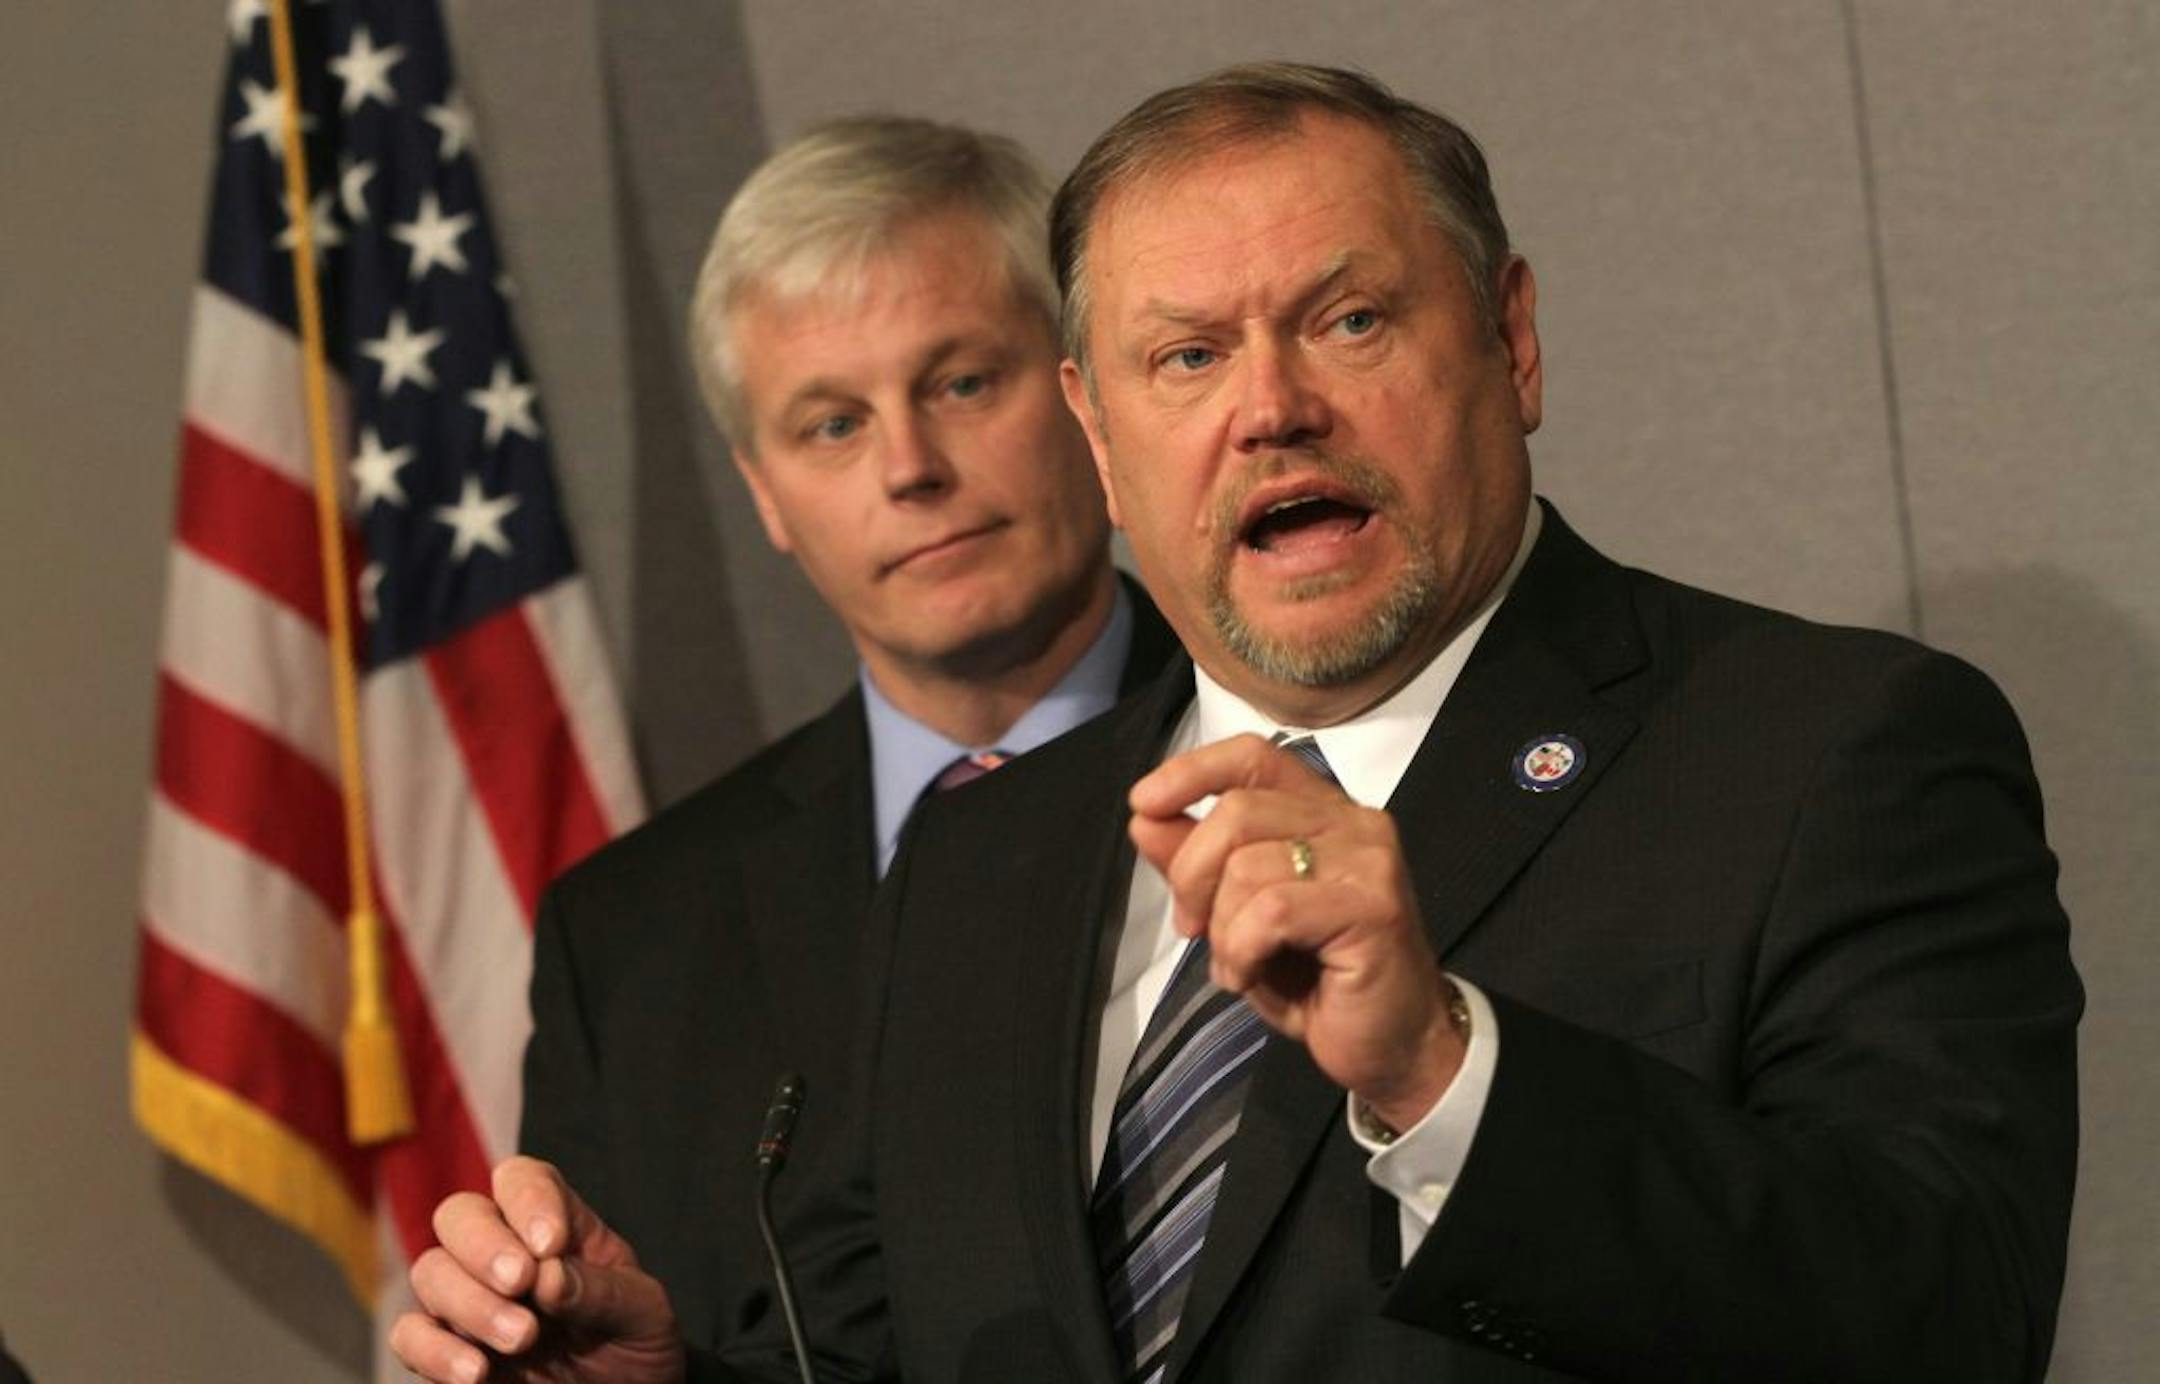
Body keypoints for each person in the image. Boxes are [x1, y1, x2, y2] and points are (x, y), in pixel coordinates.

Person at [396, 65, 2080, 1383]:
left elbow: (1949, 1319)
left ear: (1513, 339)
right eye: (1185, 356)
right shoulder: (989, 851)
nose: (1271, 407)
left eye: (1350, 319)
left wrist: (1441, 1067)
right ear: (1099, 433)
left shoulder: (1827, 751)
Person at [389, 115, 1174, 1376]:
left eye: (962, 382)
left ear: (1083, 391)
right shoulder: (630, 939)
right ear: (765, 494)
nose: (910, 467)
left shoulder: (1313, 760)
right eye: (831, 425)